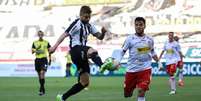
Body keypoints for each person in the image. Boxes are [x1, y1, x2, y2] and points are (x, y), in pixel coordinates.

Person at [48, 5, 110, 101]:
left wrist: (103, 33)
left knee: (84, 83)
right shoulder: (76, 24)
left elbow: (100, 37)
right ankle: (101, 65)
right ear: (80, 15)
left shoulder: (89, 26)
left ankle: (62, 97)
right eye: (85, 17)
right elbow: (64, 35)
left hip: (81, 55)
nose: (87, 19)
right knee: (92, 51)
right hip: (75, 50)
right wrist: (54, 47)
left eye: (89, 17)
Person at [101, 17, 161, 101]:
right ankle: (128, 89)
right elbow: (122, 51)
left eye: (141, 25)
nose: (138, 27)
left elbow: (153, 52)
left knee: (141, 91)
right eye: (136, 25)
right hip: (131, 70)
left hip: (145, 69)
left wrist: (159, 62)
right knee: (127, 94)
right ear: (134, 26)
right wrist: (118, 61)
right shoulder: (130, 39)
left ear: (144, 26)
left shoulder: (150, 39)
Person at [31, 30, 51, 96]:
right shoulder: (35, 42)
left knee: (42, 73)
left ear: (43, 35)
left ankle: (41, 89)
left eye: (41, 34)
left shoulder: (46, 42)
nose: (40, 35)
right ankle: (42, 88)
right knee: (39, 75)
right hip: (37, 60)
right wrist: (37, 49)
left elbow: (50, 51)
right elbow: (32, 52)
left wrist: (50, 59)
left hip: (44, 59)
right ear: (38, 35)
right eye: (39, 34)